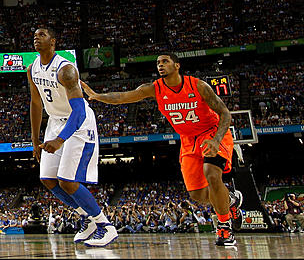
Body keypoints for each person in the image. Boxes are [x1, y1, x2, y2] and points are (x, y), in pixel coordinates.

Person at [82, 51, 243, 247]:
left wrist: (217, 140)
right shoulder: (154, 89)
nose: (160, 65)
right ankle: (231, 200)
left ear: (177, 66)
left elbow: (225, 114)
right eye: (158, 62)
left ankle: (224, 228)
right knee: (198, 195)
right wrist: (98, 96)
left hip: (211, 133)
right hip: (188, 141)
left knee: (212, 174)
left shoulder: (198, 85)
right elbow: (124, 96)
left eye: (165, 61)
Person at [27, 26, 117, 248]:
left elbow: (79, 110)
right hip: (55, 123)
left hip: (78, 123)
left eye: (42, 35)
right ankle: (88, 219)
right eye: (34, 36)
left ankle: (105, 226)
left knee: (67, 181)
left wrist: (60, 140)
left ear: (53, 42)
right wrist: (35, 139)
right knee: (47, 179)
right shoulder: (32, 69)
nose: (37, 38)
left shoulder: (66, 70)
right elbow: (36, 103)